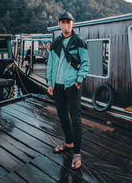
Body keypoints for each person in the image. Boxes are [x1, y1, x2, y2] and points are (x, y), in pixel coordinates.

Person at [47, 11, 90, 170]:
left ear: (73, 24)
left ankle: (77, 153)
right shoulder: (55, 42)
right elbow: (51, 64)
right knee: (62, 114)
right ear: (59, 24)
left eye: (68, 22)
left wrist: (79, 81)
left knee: (76, 118)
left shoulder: (79, 41)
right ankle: (69, 143)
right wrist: (50, 83)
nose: (65, 24)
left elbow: (85, 63)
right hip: (57, 85)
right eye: (62, 21)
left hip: (72, 85)